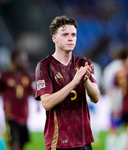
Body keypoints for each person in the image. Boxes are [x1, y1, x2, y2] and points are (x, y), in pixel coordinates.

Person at [35, 15, 100, 150]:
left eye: (73, 35)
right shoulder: (44, 66)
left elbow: (96, 98)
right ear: (54, 38)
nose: (70, 38)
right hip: (60, 141)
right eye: (65, 34)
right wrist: (74, 82)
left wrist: (86, 81)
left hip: (84, 139)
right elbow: (46, 103)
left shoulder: (83, 63)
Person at [0, 49, 35, 150]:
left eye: (25, 59)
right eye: (21, 59)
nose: (24, 61)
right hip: (10, 117)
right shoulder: (5, 76)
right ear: (14, 60)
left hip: (24, 117)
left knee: (22, 144)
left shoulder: (27, 76)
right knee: (14, 144)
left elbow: (34, 93)